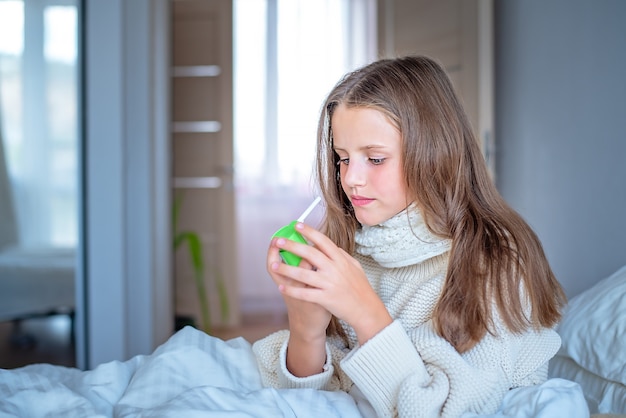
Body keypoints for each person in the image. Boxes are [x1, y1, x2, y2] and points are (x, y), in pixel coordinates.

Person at [252, 55, 567, 418]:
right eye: (342, 158)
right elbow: (310, 402)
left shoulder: (494, 261)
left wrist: (365, 312)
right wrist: (306, 328)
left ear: (433, 154)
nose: (351, 178)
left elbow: (460, 409)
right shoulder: (355, 245)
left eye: (374, 159)